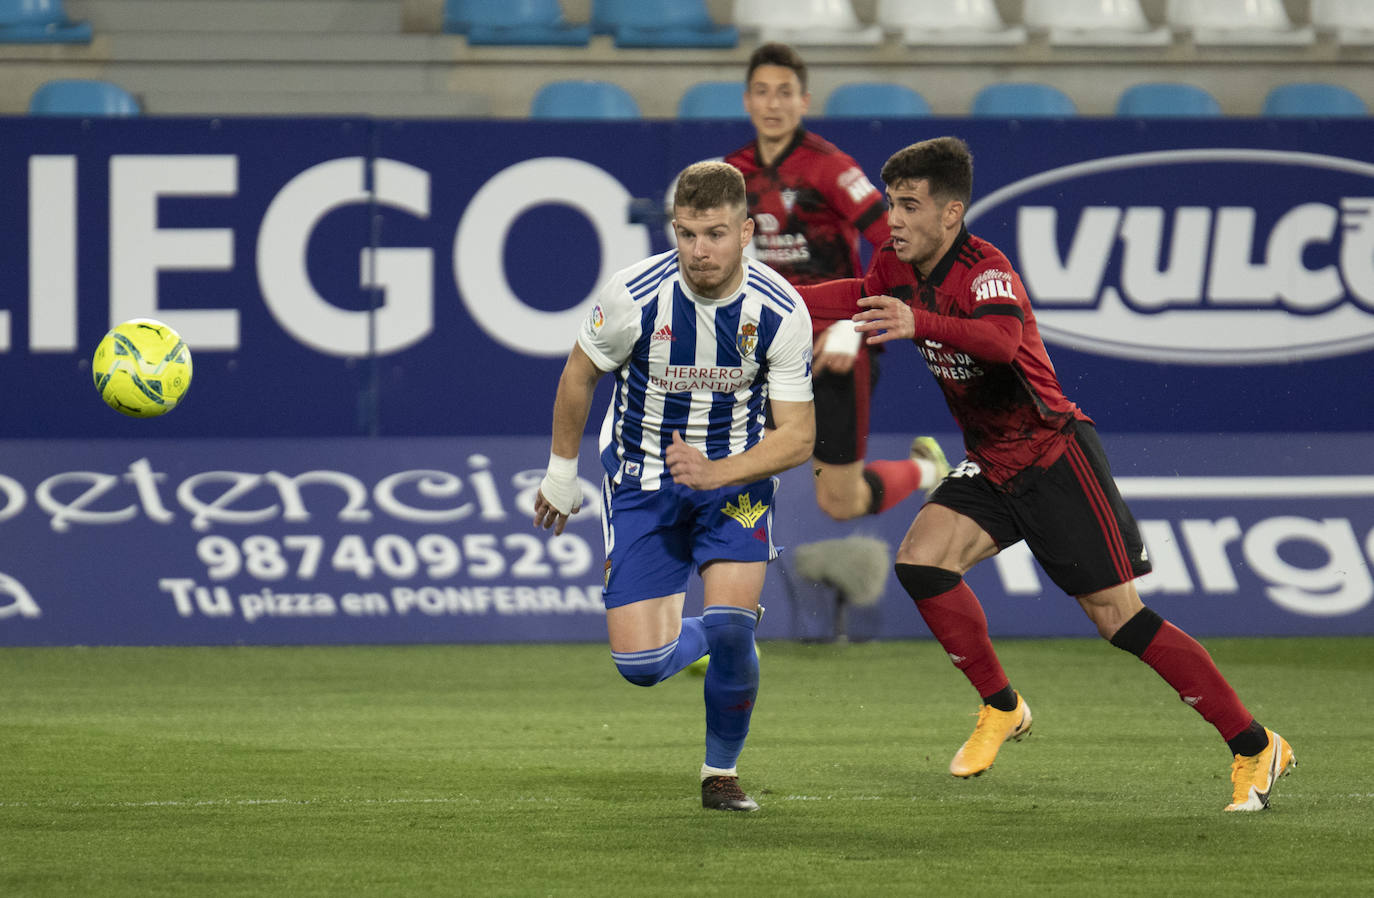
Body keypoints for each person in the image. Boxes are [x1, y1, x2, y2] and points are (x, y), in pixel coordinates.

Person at [814, 136, 1293, 812]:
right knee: (922, 562)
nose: (893, 219)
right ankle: (1002, 707)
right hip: (990, 460)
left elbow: (1002, 341)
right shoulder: (894, 267)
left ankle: (1253, 744)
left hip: (1052, 455)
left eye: (910, 205)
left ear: (951, 213)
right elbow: (854, 297)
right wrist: (766, 298)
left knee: (1118, 619)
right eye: (892, 203)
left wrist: (916, 319)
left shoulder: (987, 271)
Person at [532, 161, 815, 812]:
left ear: (747, 231)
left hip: (736, 485)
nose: (699, 250)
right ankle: (713, 633)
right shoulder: (633, 294)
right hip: (640, 484)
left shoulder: (779, 311)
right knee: (641, 667)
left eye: (715, 233)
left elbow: (798, 437)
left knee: (732, 627)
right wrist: (561, 471)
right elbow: (580, 374)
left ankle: (721, 772)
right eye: (686, 234)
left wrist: (717, 472)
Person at [724, 42, 948, 525]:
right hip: (767, 345)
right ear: (746, 101)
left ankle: (924, 468)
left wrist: (856, 323)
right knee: (725, 470)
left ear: (804, 101)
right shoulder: (732, 175)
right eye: (762, 92)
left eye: (785, 93)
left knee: (839, 502)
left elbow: (900, 242)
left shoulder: (830, 167)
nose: (773, 104)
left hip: (837, 347)